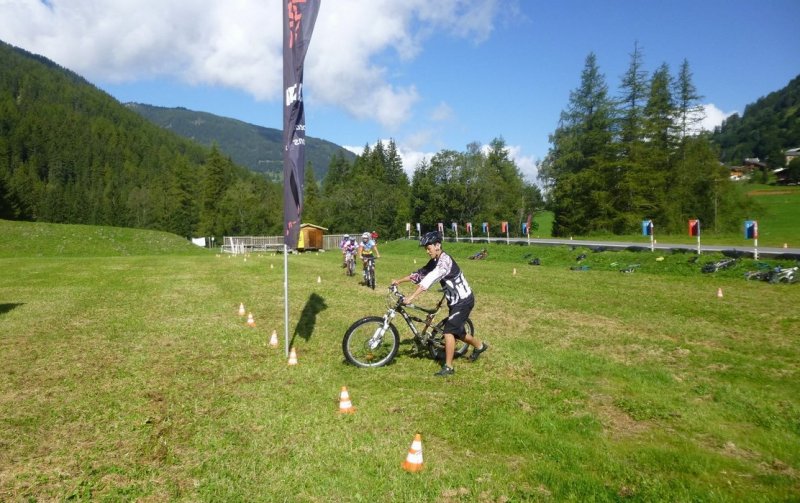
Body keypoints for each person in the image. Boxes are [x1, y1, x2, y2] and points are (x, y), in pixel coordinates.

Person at [391, 231, 488, 376]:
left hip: (464, 301)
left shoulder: (444, 262)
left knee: (449, 331)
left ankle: (448, 367)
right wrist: (399, 280)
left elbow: (429, 280)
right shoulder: (435, 260)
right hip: (454, 301)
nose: (426, 251)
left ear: (437, 245)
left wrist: (411, 298)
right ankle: (480, 346)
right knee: (458, 332)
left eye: (428, 247)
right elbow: (420, 273)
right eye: (425, 248)